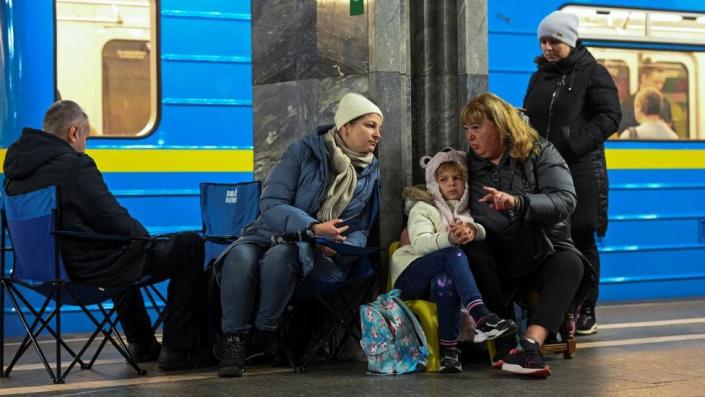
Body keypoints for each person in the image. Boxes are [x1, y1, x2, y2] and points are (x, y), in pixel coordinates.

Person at [3, 100, 209, 370]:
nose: (85, 144)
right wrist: (146, 240)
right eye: (85, 137)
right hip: (85, 273)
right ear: (73, 132)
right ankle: (177, 350)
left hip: (39, 274)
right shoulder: (73, 165)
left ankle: (142, 344)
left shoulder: (13, 175)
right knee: (189, 245)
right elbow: (112, 219)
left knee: (122, 250)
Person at [215, 92, 382, 378]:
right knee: (240, 255)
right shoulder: (303, 152)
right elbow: (271, 204)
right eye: (369, 125)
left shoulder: (370, 173)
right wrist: (312, 228)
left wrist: (339, 247)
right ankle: (234, 342)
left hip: (324, 258)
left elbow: (361, 228)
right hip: (270, 234)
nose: (377, 135)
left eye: (379, 128)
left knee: (283, 254)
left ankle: (265, 332)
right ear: (345, 128)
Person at [460, 92, 596, 378]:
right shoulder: (467, 165)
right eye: (467, 130)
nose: (470, 137)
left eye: (477, 128)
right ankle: (506, 344)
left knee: (571, 263)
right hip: (501, 252)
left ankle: (531, 343)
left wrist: (518, 202)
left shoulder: (540, 151)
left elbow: (565, 200)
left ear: (499, 126)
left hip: (542, 247)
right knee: (473, 251)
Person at [523, 10, 621, 336]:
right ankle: (560, 307)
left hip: (581, 171)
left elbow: (610, 117)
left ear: (570, 39)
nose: (547, 47)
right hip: (544, 169)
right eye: (543, 41)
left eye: (553, 41)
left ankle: (587, 309)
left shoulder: (593, 73)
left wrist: (572, 142)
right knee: (549, 238)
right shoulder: (540, 76)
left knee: (581, 237)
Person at [390, 148, 516, 373]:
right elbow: (419, 244)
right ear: (434, 184)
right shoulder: (423, 208)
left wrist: (472, 230)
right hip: (411, 277)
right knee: (453, 253)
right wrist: (449, 237)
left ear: (466, 183)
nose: (451, 184)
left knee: (445, 281)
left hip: (438, 280)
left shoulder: (468, 212)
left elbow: (484, 231)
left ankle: (449, 352)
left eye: (457, 178)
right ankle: (481, 316)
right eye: (444, 179)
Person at [619, 61, 674, 133]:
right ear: (644, 77)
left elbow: (672, 131)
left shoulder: (665, 102)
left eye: (662, 83)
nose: (660, 87)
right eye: (656, 82)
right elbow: (622, 131)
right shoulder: (628, 103)